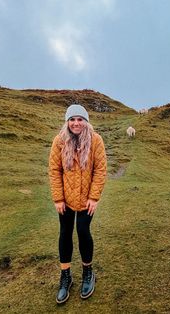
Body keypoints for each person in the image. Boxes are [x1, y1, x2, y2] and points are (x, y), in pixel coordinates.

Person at [49, 104, 107, 304]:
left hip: (86, 199)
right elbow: (54, 170)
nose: (76, 123)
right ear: (67, 122)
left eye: (80, 119)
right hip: (65, 198)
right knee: (65, 232)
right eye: (72, 119)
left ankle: (88, 272)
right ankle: (66, 277)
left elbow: (100, 170)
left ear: (86, 121)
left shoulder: (96, 140)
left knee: (83, 230)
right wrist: (58, 198)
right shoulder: (59, 141)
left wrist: (93, 197)